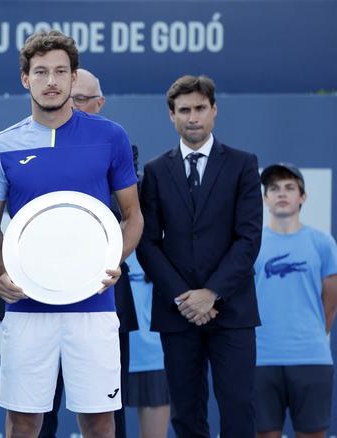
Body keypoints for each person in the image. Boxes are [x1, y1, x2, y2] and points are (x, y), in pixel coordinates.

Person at [0, 30, 143, 438]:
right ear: (25, 78)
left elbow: (133, 217)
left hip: (95, 303)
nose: (50, 81)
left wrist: (111, 262)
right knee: (23, 421)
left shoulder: (110, 136)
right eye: (40, 72)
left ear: (73, 78)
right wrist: (4, 273)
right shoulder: (2, 145)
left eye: (60, 72)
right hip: (27, 307)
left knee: (100, 420)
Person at [136, 75, 263, 437]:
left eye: (200, 108)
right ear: (171, 115)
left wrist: (212, 293)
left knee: (238, 408)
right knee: (186, 412)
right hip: (178, 313)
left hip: (233, 310)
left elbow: (248, 238)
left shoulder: (242, 164)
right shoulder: (157, 171)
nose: (193, 117)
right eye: (184, 110)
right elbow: (147, 242)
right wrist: (184, 297)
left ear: (214, 111)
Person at [38, 68, 139, 438]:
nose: (73, 107)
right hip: (38, 291)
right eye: (68, 98)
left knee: (107, 411)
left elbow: (130, 217)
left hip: (100, 291)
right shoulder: (25, 143)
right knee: (36, 410)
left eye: (81, 99)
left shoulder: (118, 147)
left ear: (100, 103)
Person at [254, 163, 337, 438]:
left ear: (302, 197)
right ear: (265, 198)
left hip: (311, 357)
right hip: (260, 357)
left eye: (290, 188)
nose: (282, 194)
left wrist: (312, 333)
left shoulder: (323, 243)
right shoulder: (251, 244)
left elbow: (331, 299)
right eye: (274, 188)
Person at [125, 252, 170, 438]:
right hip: (109, 355)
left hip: (154, 356)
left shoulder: (159, 247)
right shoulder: (101, 243)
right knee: (102, 430)